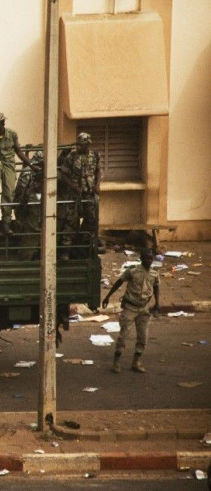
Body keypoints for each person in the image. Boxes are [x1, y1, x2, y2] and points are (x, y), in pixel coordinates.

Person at [102, 249, 160, 374]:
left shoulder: (154, 273)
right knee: (123, 337)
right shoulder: (132, 271)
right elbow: (119, 282)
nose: (149, 261)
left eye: (151, 259)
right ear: (141, 259)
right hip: (130, 307)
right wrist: (107, 296)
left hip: (144, 308)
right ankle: (116, 362)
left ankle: (136, 361)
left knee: (143, 337)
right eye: (147, 258)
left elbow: (156, 287)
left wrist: (157, 303)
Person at [57, 132, 102, 260]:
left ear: (88, 144)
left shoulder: (95, 156)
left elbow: (98, 170)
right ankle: (66, 251)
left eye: (83, 145)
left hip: (89, 192)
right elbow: (63, 174)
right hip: (74, 193)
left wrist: (98, 184)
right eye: (79, 145)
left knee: (92, 219)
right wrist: (73, 186)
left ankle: (85, 246)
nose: (80, 147)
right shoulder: (72, 157)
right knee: (71, 221)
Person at [14, 152, 43, 260]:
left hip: (33, 206)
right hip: (26, 206)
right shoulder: (28, 172)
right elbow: (21, 191)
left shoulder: (47, 171)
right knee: (28, 236)